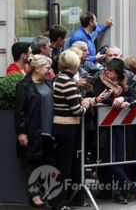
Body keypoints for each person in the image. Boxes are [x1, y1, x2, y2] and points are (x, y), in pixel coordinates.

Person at [51, 50, 109, 209]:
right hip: (67, 126)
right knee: (64, 165)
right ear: (74, 65)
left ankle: (62, 200)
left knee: (64, 164)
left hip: (62, 126)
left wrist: (90, 101)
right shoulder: (68, 82)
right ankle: (59, 202)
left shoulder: (59, 79)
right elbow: (77, 110)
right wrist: (87, 104)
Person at [93, 58, 136, 204]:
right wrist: (115, 102)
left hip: (121, 125)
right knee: (108, 158)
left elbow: (135, 97)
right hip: (104, 127)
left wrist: (126, 99)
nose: (107, 71)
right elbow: (98, 97)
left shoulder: (124, 81)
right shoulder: (100, 80)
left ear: (118, 73)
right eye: (107, 68)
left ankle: (120, 192)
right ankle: (125, 182)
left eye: (111, 70)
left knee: (120, 157)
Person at [15, 54, 54, 208]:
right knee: (32, 163)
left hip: (48, 131)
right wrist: (21, 132)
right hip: (32, 131)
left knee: (47, 162)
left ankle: (46, 192)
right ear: (37, 68)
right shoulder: (24, 86)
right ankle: (35, 195)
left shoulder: (49, 84)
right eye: (46, 67)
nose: (49, 70)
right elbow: (20, 112)